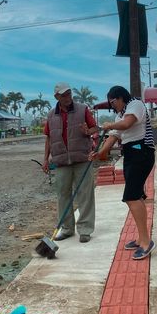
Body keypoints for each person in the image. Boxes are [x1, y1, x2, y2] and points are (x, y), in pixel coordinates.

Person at [90, 86, 156, 260]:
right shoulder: (120, 115)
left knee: (131, 197)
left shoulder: (135, 105)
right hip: (131, 154)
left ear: (120, 97)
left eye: (113, 102)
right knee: (136, 196)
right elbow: (113, 136)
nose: (113, 107)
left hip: (141, 152)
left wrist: (109, 125)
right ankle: (142, 237)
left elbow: (127, 124)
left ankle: (146, 242)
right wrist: (100, 153)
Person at [42, 83, 98, 243]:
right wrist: (45, 159)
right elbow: (49, 138)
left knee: (85, 195)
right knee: (63, 196)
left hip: (82, 158)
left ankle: (85, 230)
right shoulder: (51, 115)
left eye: (69, 94)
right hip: (61, 161)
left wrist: (88, 131)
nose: (67, 97)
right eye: (63, 95)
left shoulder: (82, 109)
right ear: (56, 97)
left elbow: (95, 128)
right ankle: (67, 229)